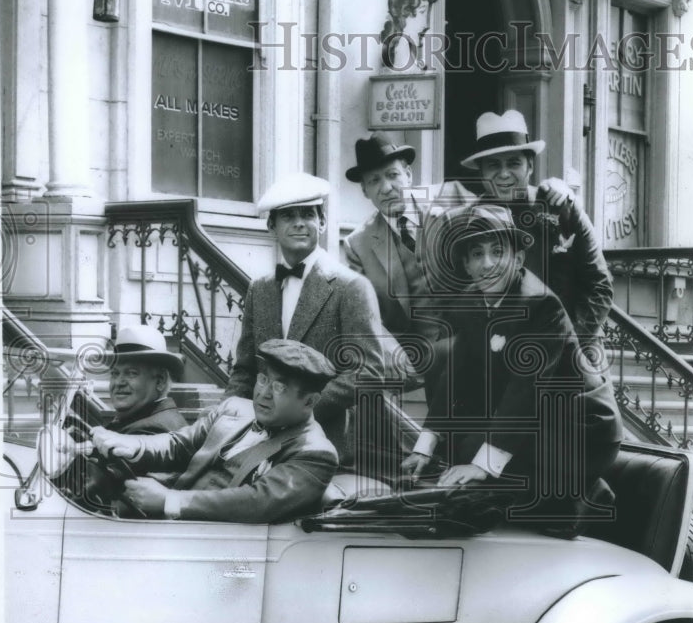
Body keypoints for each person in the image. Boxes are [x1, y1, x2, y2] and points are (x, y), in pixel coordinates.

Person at [403, 203, 623, 533]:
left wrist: (484, 465)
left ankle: (585, 497)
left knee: (478, 458)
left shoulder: (541, 304)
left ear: (518, 259)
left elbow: (526, 390)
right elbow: (456, 377)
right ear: (466, 263)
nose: (486, 263)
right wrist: (425, 446)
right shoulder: (470, 300)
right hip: (542, 418)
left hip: (582, 429)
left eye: (497, 252)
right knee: (464, 446)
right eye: (476, 254)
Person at [223, 173, 385, 463]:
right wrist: (228, 420)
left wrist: (299, 412)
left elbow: (369, 372)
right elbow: (245, 369)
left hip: (327, 442)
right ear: (272, 224)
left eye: (308, 214)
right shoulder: (258, 289)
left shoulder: (351, 286)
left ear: (322, 222)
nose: (299, 223)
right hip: (260, 444)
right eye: (288, 216)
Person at [89, 339, 339, 523]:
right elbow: (179, 444)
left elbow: (257, 501)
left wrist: (169, 500)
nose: (263, 393)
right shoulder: (234, 409)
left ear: (310, 402)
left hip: (223, 554)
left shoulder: (314, 452)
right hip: (174, 530)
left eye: (280, 388)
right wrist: (131, 445)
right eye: (262, 380)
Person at [426, 110, 612, 347]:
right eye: (493, 165)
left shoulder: (562, 209)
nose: (504, 174)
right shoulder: (461, 224)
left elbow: (600, 285)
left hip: (570, 349)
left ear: (530, 165)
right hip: (493, 358)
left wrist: (572, 343)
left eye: (514, 163)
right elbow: (449, 302)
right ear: (481, 171)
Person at [46, 325, 187, 508]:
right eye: (115, 373)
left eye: (131, 373)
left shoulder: (156, 430)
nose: (119, 382)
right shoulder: (138, 419)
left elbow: (91, 497)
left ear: (159, 381)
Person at [344, 132, 441, 357]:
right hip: (406, 364)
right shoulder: (358, 244)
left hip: (461, 355)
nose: (386, 188)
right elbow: (365, 317)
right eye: (374, 180)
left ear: (408, 175)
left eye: (392, 175)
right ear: (365, 190)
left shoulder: (443, 218)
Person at [380, 0, 439, 72]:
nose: (426, 25)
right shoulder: (395, 62)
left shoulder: (416, 64)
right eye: (422, 11)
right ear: (404, 12)